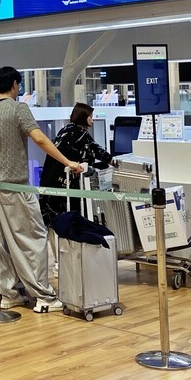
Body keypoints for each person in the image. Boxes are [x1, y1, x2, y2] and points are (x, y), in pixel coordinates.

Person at [0, 66, 82, 313]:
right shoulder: (18, 109)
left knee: (3, 243)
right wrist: (67, 161)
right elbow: (39, 138)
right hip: (16, 187)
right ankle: (44, 297)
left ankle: (9, 293)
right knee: (34, 239)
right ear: (15, 84)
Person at [39, 102, 113, 273]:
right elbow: (100, 153)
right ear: (83, 117)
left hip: (48, 183)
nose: (92, 121)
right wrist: (116, 162)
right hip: (63, 186)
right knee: (68, 221)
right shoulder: (80, 134)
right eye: (90, 117)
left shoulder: (65, 130)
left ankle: (59, 262)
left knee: (52, 223)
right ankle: (66, 262)